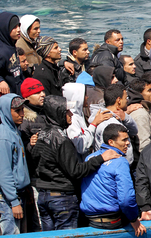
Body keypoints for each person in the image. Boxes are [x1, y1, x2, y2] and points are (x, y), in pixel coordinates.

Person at [34, 95, 120, 231]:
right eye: (67, 112)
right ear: (59, 113)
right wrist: (101, 158)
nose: (71, 115)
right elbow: (76, 171)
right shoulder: (62, 140)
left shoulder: (42, 134)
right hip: (61, 198)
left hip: (44, 196)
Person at [80, 124, 147, 236]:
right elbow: (126, 199)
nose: (128, 143)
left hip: (92, 220)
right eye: (124, 140)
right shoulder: (120, 162)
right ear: (111, 142)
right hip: (113, 221)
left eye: (128, 139)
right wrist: (134, 220)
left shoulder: (90, 158)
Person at [0, 94, 31, 235]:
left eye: (22, 109)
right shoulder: (4, 136)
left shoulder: (14, 131)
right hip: (7, 199)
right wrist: (13, 201)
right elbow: (4, 172)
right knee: (11, 233)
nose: (22, 114)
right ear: (6, 111)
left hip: (18, 194)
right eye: (17, 111)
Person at [90, 84, 139, 166]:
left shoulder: (104, 117)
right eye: (126, 98)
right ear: (119, 100)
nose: (127, 100)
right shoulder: (110, 122)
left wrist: (126, 118)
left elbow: (134, 131)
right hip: (117, 167)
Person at [62, 82, 112, 160]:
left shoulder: (78, 115)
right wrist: (94, 124)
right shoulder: (72, 119)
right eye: (84, 95)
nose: (87, 97)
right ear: (77, 97)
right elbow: (80, 146)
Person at [127, 79, 151, 152]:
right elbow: (144, 146)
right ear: (139, 94)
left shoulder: (144, 110)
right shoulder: (140, 114)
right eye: (149, 90)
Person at [0, 11, 24, 96]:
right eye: (14, 27)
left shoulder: (11, 45)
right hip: (7, 97)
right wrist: (1, 81)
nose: (18, 30)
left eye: (19, 26)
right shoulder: (2, 51)